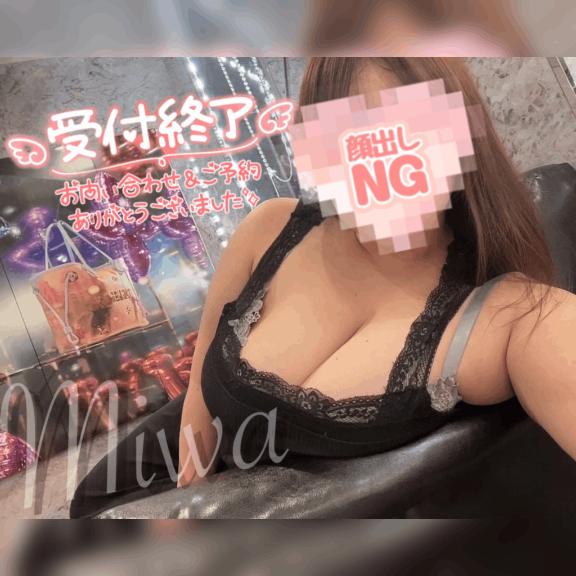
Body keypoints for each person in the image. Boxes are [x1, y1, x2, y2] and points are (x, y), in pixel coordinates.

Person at [70, 57, 576, 518]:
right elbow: (202, 380)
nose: (380, 160)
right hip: (137, 490)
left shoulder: (516, 317)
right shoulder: (269, 228)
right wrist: (189, 507)